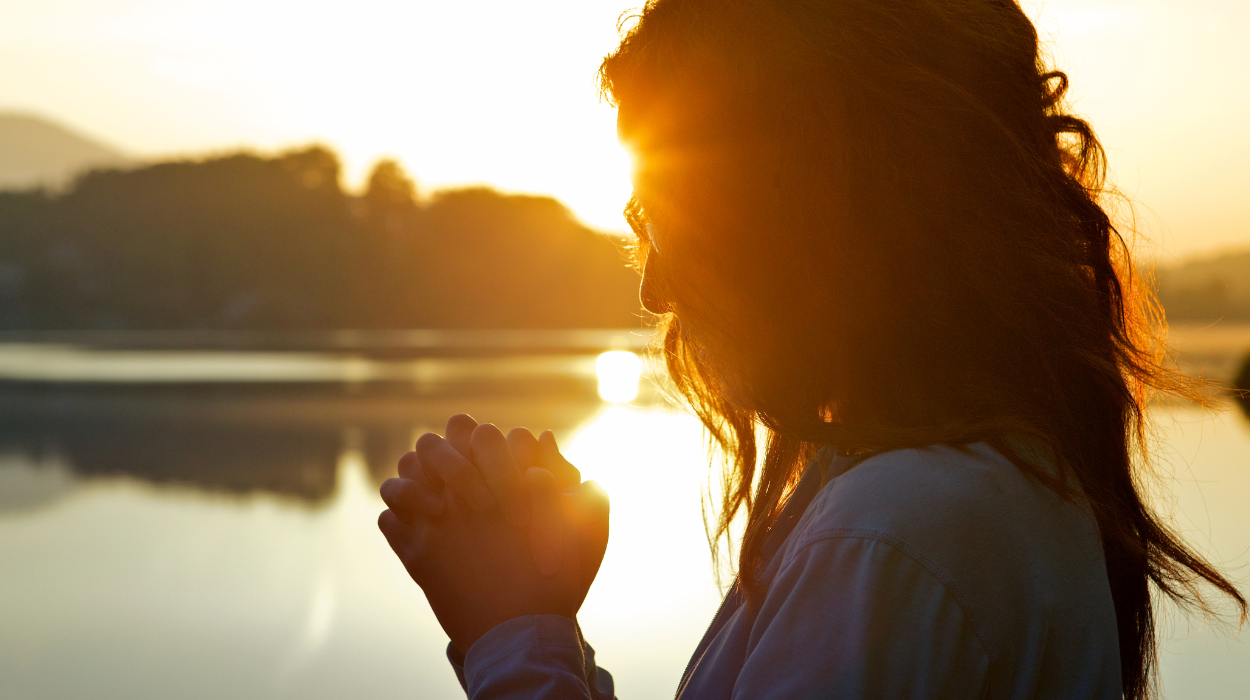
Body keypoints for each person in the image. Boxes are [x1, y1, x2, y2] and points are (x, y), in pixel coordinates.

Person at [377, 0, 1247, 698]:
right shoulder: (977, 487)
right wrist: (538, 622)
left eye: (671, 219)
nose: (655, 291)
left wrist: (510, 632)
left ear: (803, 213)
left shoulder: (892, 536)